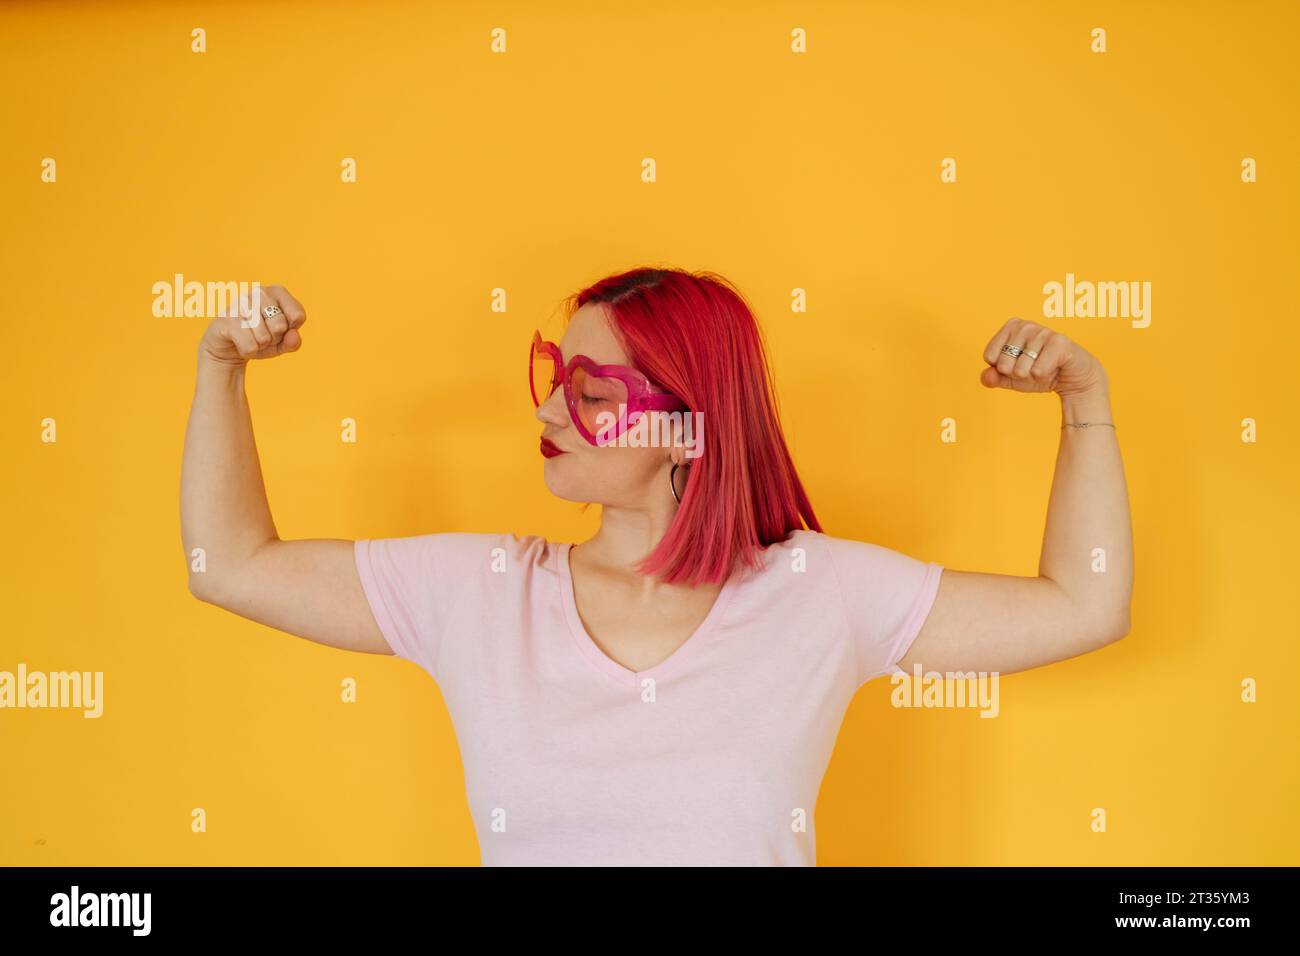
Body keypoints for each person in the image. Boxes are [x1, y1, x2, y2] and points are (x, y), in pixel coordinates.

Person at [180, 266, 1133, 865]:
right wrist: (220, 370)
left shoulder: (823, 597)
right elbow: (227, 562)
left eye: (590, 394)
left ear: (686, 427)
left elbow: (1084, 605)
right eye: (555, 382)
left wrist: (1083, 399)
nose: (550, 416)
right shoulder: (478, 595)